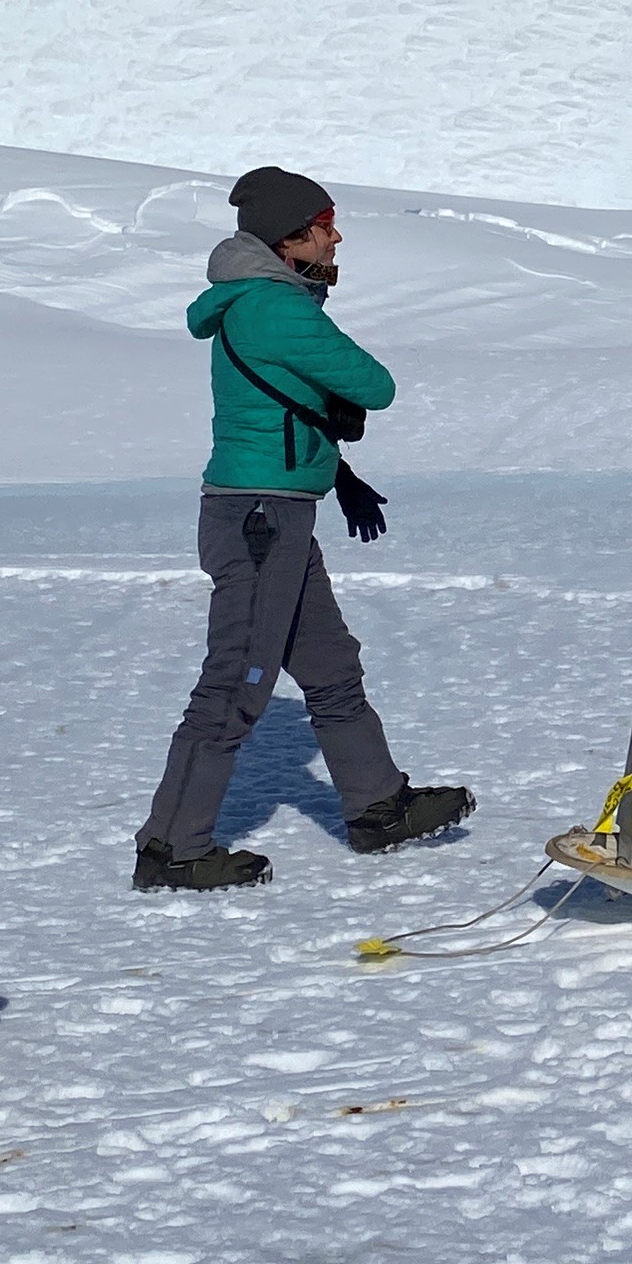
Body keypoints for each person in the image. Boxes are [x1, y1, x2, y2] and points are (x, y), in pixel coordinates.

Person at [132, 166, 474, 892]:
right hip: (262, 520)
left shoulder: (260, 302)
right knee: (235, 684)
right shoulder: (276, 309)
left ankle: (377, 805)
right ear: (290, 240)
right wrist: (312, 309)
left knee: (328, 663)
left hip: (273, 511)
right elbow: (374, 385)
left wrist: (336, 474)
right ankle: (174, 848)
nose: (336, 235)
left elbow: (292, 406)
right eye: (324, 225)